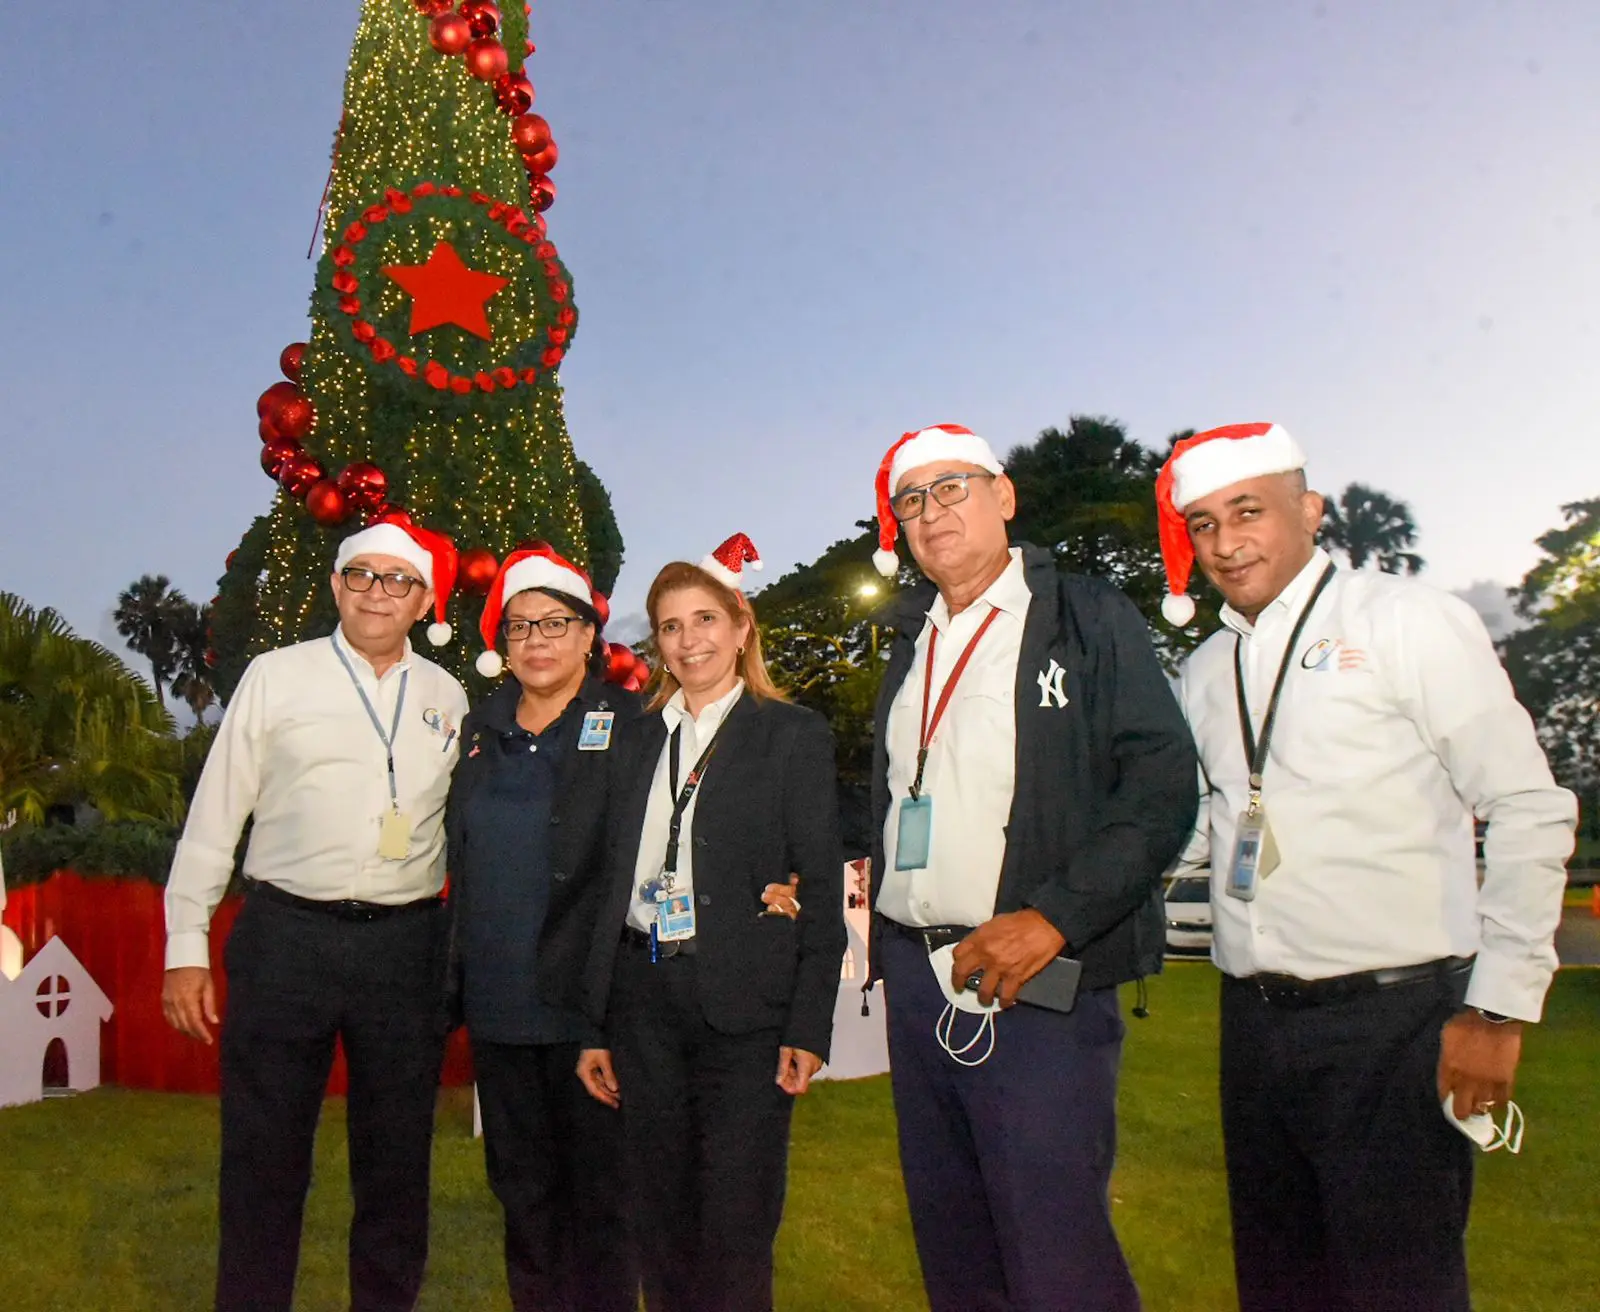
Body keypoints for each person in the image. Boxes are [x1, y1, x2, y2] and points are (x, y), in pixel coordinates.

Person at [1156, 422, 1577, 1312]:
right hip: (1254, 1023)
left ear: (1310, 511)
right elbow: (1194, 831)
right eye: (1202, 524)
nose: (1227, 543)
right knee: (1278, 1283)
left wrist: (1497, 1007)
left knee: (1400, 1285)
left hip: (1394, 1021)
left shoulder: (1405, 620)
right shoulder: (1204, 669)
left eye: (1247, 512)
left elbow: (1527, 805)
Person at [862, 424, 1199, 1312]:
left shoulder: (1084, 615)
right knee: (955, 1243)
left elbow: (1161, 784)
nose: (932, 514)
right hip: (917, 974)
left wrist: (1053, 918)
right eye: (912, 499)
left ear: (1003, 496)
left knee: (1057, 1253)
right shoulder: (910, 639)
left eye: (952, 488)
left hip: (1033, 977)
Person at [162, 514, 468, 1312]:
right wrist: (185, 942)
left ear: (422, 600)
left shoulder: (448, 694)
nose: (377, 592)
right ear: (336, 586)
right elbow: (216, 813)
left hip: (405, 950)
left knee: (397, 1163)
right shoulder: (277, 674)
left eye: (396, 580)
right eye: (361, 575)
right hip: (285, 941)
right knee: (263, 1161)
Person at [576, 533, 846, 1312]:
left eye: (704, 620)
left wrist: (808, 1026)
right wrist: (596, 1025)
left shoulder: (790, 734)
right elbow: (607, 885)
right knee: (657, 1219)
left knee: (734, 1224)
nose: (689, 640)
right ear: (655, 641)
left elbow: (822, 888)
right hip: (642, 999)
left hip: (745, 1011)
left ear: (739, 626)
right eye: (669, 626)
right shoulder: (634, 737)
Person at [444, 544, 641, 1311]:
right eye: (519, 626)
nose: (536, 641)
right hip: (499, 1011)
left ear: (590, 636)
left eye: (555, 623)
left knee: (603, 1209)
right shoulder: (479, 733)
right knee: (524, 1203)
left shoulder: (630, 724)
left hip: (590, 1013)